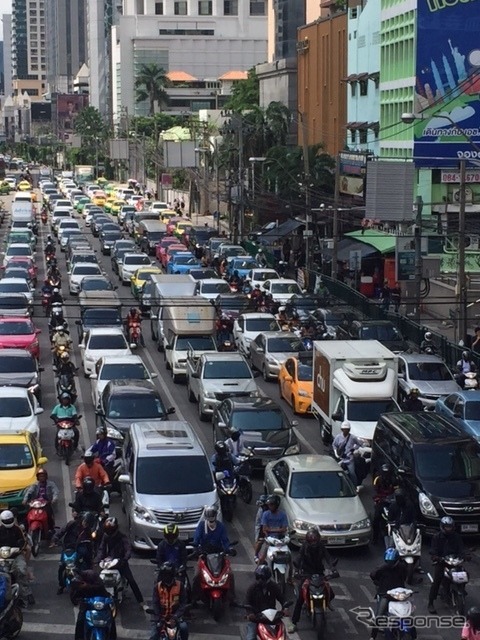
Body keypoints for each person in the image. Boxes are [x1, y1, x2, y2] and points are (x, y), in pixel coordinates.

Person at [290, 528, 335, 632]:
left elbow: (328, 558)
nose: (314, 543)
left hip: (319, 573)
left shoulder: (321, 547)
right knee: (300, 598)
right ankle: (294, 622)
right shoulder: (304, 547)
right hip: (306, 573)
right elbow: (299, 558)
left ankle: (326, 602)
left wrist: (333, 568)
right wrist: (297, 571)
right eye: (312, 541)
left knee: (331, 593)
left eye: (315, 540)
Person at [95, 517, 145, 607]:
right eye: (107, 530)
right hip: (109, 561)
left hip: (120, 561)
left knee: (131, 580)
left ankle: (141, 601)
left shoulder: (122, 537)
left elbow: (128, 549)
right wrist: (99, 559)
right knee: (97, 579)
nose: (109, 532)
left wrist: (125, 559)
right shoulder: (106, 536)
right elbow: (101, 548)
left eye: (111, 530)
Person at [191, 507, 236, 603]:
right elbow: (197, 539)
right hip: (204, 555)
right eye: (209, 517)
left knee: (230, 575)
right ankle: (194, 598)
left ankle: (231, 598)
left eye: (213, 517)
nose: (211, 520)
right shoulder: (201, 526)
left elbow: (225, 541)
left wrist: (229, 549)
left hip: (219, 554)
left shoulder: (221, 527)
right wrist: (196, 548)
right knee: (197, 575)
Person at [428, 516, 465, 613]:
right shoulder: (437, 537)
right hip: (442, 563)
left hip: (454, 562)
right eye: (447, 527)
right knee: (436, 581)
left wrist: (466, 555)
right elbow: (433, 550)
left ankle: (461, 590)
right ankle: (431, 602)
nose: (449, 529)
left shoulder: (456, 537)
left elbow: (461, 549)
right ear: (442, 527)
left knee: (463, 574)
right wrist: (436, 557)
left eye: (450, 527)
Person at [369, 548, 408, 640]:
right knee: (379, 615)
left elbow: (404, 577)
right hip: (385, 594)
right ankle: (372, 636)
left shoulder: (402, 567)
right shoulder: (382, 568)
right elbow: (373, 575)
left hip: (399, 593)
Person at [245, 565, 290, 640]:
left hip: (272, 618)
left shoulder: (274, 586)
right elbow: (247, 602)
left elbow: (282, 599)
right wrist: (250, 614)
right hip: (257, 618)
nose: (260, 580)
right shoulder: (252, 588)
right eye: (258, 578)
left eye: (262, 578)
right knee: (250, 637)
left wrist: (285, 608)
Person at [0, 510, 34, 606]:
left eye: (10, 520)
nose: (8, 522)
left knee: (21, 571)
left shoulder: (17, 529)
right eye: (6, 520)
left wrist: (18, 548)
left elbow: (23, 542)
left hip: (15, 555)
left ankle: (26, 596)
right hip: (2, 555)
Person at [70, 570, 116, 640]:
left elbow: (100, 587)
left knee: (111, 620)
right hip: (87, 602)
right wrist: (76, 599)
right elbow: (74, 595)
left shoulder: (93, 575)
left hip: (101, 600)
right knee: (80, 621)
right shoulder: (77, 583)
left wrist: (87, 586)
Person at [150, 562, 188, 640]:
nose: (165, 577)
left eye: (167, 575)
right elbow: (155, 603)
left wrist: (175, 617)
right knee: (154, 636)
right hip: (161, 618)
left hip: (176, 618)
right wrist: (159, 617)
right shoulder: (157, 587)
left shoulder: (180, 586)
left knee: (184, 628)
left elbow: (183, 603)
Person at [51, 512, 83, 594]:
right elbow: (61, 531)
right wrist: (55, 539)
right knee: (61, 567)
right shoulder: (71, 524)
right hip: (67, 548)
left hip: (79, 549)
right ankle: (61, 585)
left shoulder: (86, 530)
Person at [254, 494, 288, 564]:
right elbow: (264, 529)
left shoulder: (283, 515)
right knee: (260, 543)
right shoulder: (265, 514)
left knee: (288, 556)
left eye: (272, 505)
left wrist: (270, 530)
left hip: (279, 539)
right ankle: (256, 556)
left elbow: (284, 529)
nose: (270, 506)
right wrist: (267, 537)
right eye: (269, 505)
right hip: (269, 539)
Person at [332, 421, 362, 488]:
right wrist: (336, 454)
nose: (345, 431)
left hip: (349, 460)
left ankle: (354, 487)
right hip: (341, 459)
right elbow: (334, 445)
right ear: (342, 430)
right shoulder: (338, 437)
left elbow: (359, 444)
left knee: (352, 474)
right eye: (344, 429)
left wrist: (353, 449)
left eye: (347, 429)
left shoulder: (353, 437)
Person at [372, 465, 396, 543]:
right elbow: (375, 491)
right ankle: (374, 538)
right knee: (376, 518)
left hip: (392, 500)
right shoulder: (377, 479)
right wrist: (379, 498)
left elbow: (397, 489)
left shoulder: (394, 479)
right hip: (382, 500)